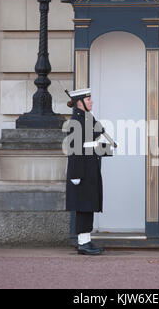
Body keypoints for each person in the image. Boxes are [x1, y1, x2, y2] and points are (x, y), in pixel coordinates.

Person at [65, 88, 105, 255]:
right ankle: (83, 243)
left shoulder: (85, 119)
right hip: (81, 171)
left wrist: (89, 113)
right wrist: (75, 174)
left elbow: (99, 130)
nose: (91, 102)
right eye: (88, 100)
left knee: (89, 205)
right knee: (83, 206)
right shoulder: (76, 122)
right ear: (79, 103)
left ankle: (86, 240)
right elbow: (74, 150)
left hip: (89, 169)